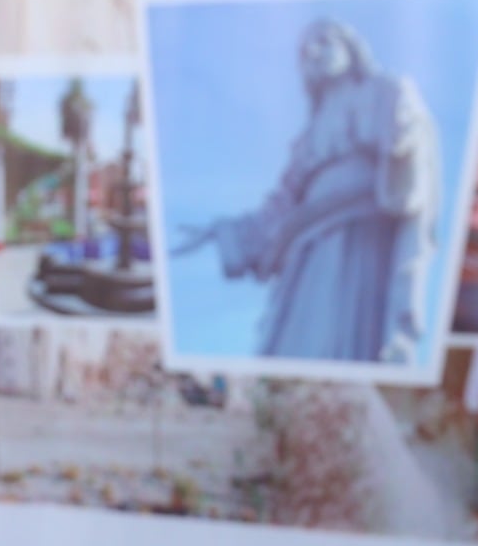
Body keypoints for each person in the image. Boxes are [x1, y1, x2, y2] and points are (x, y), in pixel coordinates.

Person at [172, 19, 438, 366]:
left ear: (350, 48)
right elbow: (279, 209)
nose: (311, 52)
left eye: (324, 41)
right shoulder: (306, 138)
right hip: (305, 254)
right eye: (303, 50)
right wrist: (224, 230)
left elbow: (409, 160)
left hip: (356, 239)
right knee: (295, 342)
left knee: (341, 339)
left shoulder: (385, 92)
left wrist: (404, 140)